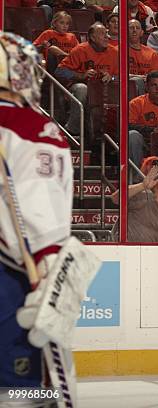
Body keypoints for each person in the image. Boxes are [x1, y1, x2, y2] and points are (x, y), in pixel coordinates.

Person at [0, 32, 78, 403]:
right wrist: (50, 267)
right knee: (21, 390)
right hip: (15, 276)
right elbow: (41, 204)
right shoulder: (32, 127)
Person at [55, 22, 119, 138]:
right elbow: (59, 71)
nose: (106, 36)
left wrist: (112, 77)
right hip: (80, 89)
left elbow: (123, 77)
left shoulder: (114, 52)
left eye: (106, 33)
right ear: (92, 37)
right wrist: (81, 76)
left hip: (104, 91)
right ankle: (73, 130)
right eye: (101, 34)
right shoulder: (80, 50)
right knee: (82, 88)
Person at [111, 164, 158, 242]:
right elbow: (115, 198)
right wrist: (142, 185)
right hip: (125, 252)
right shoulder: (143, 197)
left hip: (152, 253)